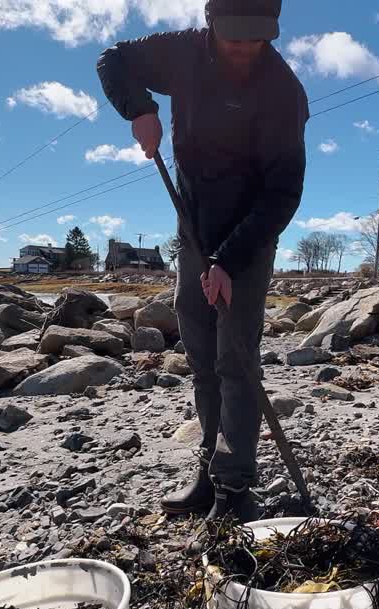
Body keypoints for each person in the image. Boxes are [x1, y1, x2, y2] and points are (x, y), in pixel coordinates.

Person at [96, 0, 308, 521]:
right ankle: (208, 474)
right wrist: (139, 109)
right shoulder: (183, 53)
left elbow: (282, 193)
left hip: (248, 238)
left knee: (235, 360)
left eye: (255, 37)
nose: (242, 47)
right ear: (211, 23)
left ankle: (235, 490)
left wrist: (229, 260)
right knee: (200, 353)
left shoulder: (283, 92)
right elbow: (112, 60)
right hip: (192, 227)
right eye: (233, 35)